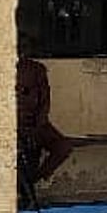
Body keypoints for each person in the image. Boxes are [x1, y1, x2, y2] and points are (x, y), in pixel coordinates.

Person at [16, 35, 73, 184]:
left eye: (25, 48)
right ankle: (23, 188)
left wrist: (39, 123)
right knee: (23, 152)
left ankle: (35, 179)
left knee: (63, 146)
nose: (22, 52)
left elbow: (45, 99)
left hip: (36, 123)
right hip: (13, 125)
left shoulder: (37, 69)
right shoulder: (1, 69)